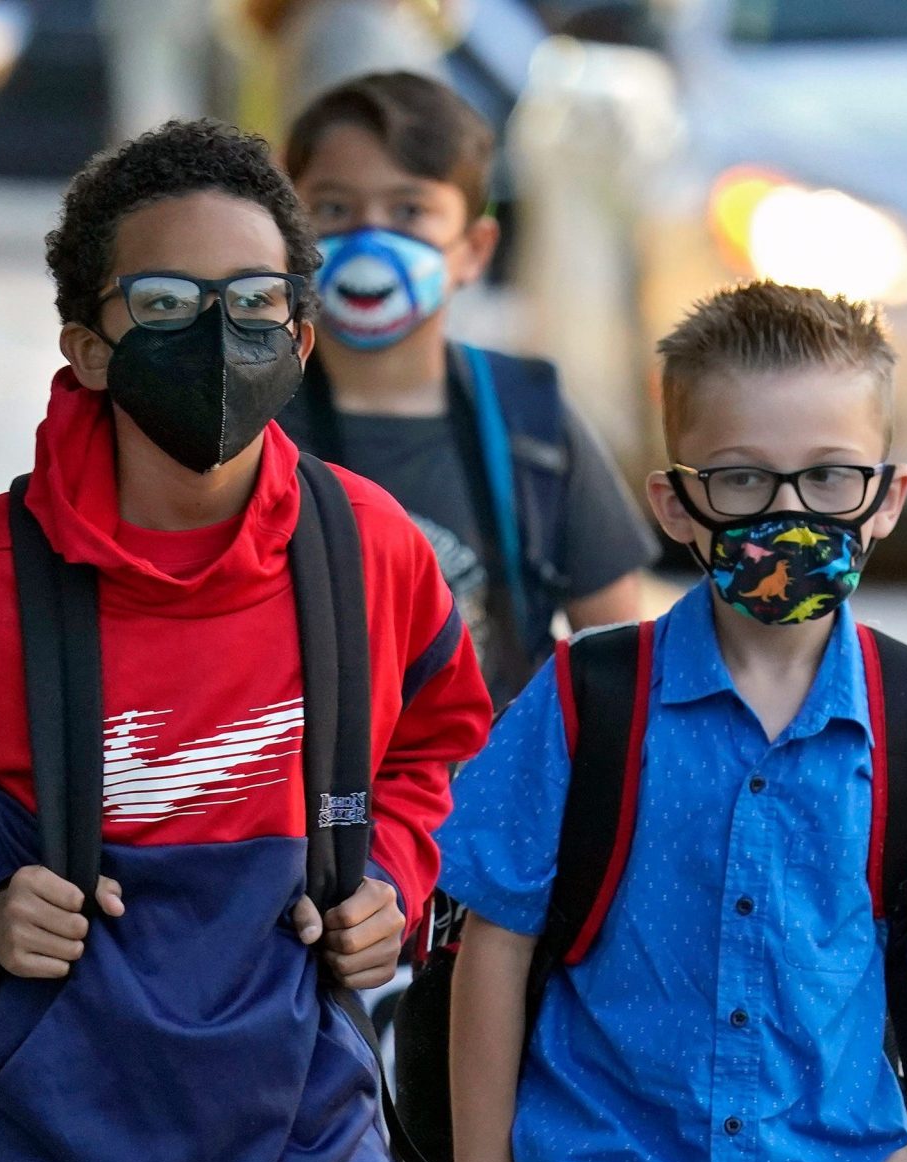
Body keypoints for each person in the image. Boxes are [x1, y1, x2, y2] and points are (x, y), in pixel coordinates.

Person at [0, 119, 495, 1162]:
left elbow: (452, 745)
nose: (217, 335)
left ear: (301, 337)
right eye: (164, 302)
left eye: (254, 301)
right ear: (88, 344)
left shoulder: (370, 552)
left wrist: (394, 873)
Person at [413, 282, 907, 1162]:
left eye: (829, 476)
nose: (787, 511)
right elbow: (495, 942)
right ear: (674, 501)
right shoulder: (589, 699)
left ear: (888, 497)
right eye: (741, 480)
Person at [280, 70, 657, 705]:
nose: (371, 238)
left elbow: (621, 662)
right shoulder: (252, 423)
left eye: (410, 211)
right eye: (334, 209)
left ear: (474, 249)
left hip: (494, 796)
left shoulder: (530, 419)